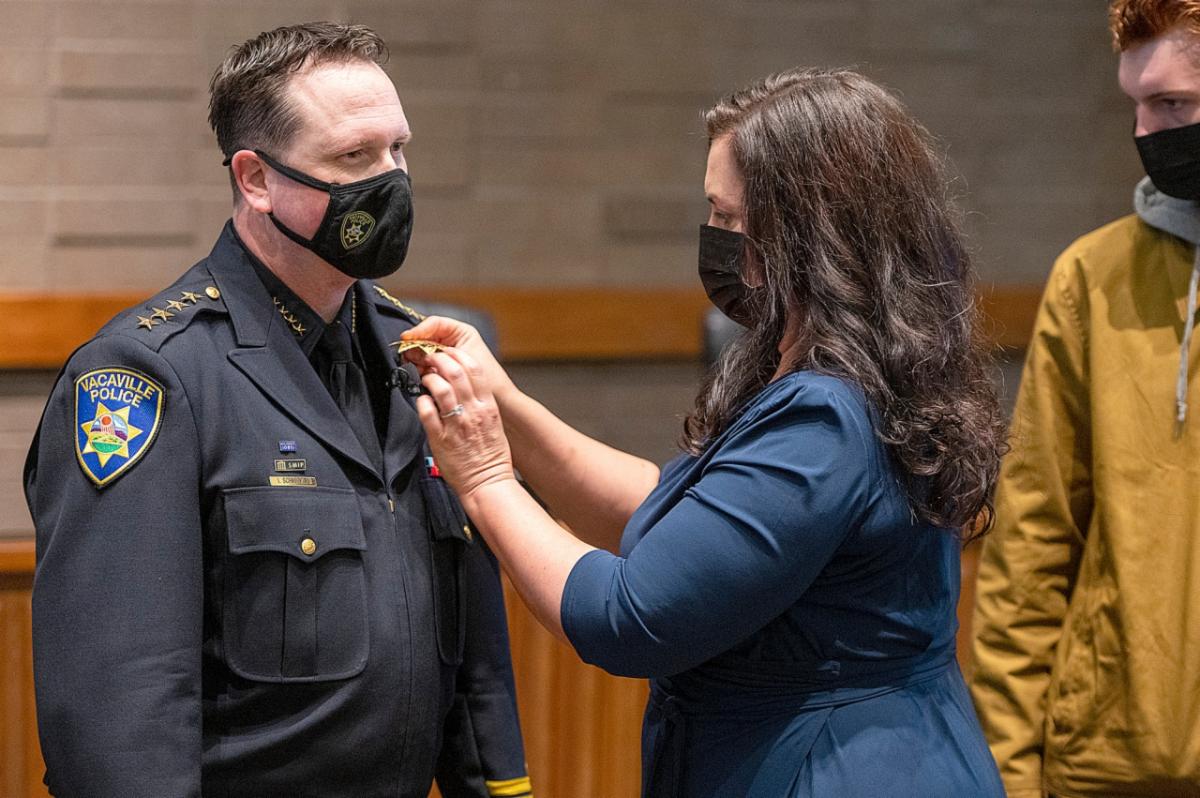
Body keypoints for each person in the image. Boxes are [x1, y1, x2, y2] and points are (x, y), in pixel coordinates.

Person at [400, 68, 1007, 797]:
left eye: (727, 215)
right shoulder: (838, 362)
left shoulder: (826, 413)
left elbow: (630, 619)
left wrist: (486, 480)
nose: (713, 237)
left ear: (805, 231)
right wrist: (506, 406)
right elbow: (680, 515)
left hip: (836, 770)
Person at [22, 22, 530, 798]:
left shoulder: (416, 354)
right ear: (256, 179)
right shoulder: (150, 376)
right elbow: (123, 712)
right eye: (355, 158)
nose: (392, 181)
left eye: (398, 150)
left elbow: (473, 652)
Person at [971, 2, 1200, 795]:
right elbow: (1030, 552)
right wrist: (1010, 775)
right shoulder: (1093, 280)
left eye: (1172, 104)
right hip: (1112, 767)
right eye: (1136, 104)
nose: (1144, 132)